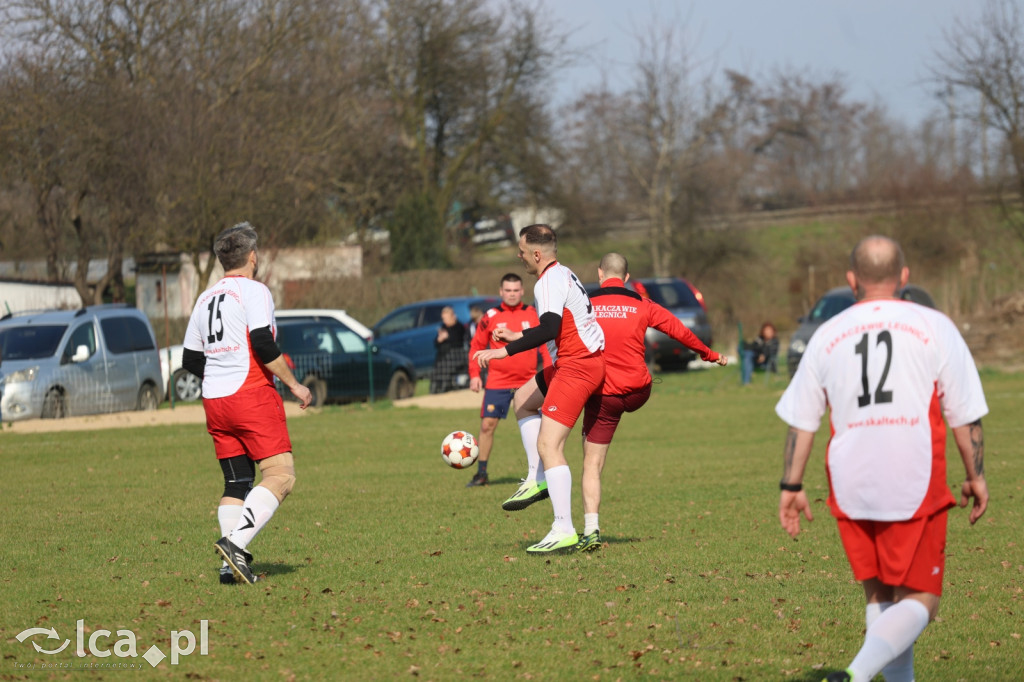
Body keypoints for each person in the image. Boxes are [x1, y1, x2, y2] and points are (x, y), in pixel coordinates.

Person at [774, 236, 988, 682]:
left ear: (851, 280)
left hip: (851, 483)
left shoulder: (827, 334)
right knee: (921, 599)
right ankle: (853, 675)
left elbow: (802, 422)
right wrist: (977, 476)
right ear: (904, 276)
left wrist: (790, 487)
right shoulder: (933, 325)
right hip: (914, 476)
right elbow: (964, 416)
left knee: (881, 596)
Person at [182, 222, 313, 585]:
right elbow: (263, 343)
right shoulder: (254, 291)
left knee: (237, 482)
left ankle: (230, 569)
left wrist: (220, 372)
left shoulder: (205, 297)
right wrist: (294, 385)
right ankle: (235, 544)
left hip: (215, 400)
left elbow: (190, 359)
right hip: (250, 395)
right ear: (252, 257)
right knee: (281, 475)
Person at [576, 253, 728, 551]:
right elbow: (680, 331)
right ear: (628, 278)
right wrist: (709, 354)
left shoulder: (586, 306)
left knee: (592, 463)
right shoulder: (643, 305)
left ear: (599, 274)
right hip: (637, 392)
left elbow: (554, 333)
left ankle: (591, 529)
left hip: (604, 396)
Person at [473, 224, 605, 554]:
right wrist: (518, 337)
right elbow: (556, 325)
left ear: (536, 253)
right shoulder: (563, 273)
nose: (518, 256)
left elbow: (549, 328)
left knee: (549, 444)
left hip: (578, 366)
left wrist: (505, 351)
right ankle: (537, 478)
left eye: (521, 250)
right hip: (578, 362)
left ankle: (564, 528)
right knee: (523, 400)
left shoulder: (547, 280)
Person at [465, 273, 553, 487]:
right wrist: (475, 375)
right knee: (487, 426)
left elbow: (544, 346)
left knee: (539, 427)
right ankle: (482, 474)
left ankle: (541, 473)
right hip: (498, 381)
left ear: (522, 291)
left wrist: (551, 371)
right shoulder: (490, 316)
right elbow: (477, 346)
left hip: (528, 381)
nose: (512, 294)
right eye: (508, 290)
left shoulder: (534, 314)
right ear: (501, 292)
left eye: (516, 290)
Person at [430, 306, 467, 394]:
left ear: (452, 316)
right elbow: (436, 343)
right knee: (436, 370)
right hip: (443, 356)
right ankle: (435, 389)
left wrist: (448, 337)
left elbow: (458, 341)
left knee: (445, 367)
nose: (444, 321)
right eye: (443, 319)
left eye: (446, 318)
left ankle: (444, 387)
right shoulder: (443, 327)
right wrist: (439, 340)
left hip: (455, 356)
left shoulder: (459, 327)